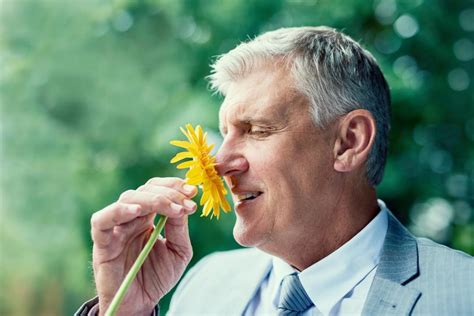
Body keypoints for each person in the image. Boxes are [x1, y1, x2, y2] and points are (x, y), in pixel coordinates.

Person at [76, 26, 473, 316]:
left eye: (257, 130)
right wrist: (126, 311)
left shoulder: (462, 296)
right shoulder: (204, 286)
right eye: (226, 132)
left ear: (349, 142)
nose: (218, 162)